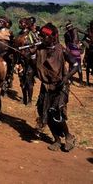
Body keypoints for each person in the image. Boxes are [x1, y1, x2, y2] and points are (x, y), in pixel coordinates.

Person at [34, 23, 78, 152]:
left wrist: (66, 78)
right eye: (41, 36)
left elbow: (75, 65)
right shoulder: (40, 49)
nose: (43, 38)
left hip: (60, 86)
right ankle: (57, 140)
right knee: (44, 112)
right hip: (46, 87)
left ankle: (69, 137)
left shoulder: (61, 49)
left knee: (56, 113)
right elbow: (34, 64)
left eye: (45, 36)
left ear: (53, 36)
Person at [0, 16, 14, 94]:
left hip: (7, 54)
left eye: (1, 22)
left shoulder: (10, 32)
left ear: (5, 23)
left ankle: (7, 83)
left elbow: (12, 43)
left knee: (8, 70)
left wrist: (11, 53)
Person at [64, 21, 83, 85]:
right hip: (76, 50)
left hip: (71, 51)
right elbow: (86, 33)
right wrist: (81, 44)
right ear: (72, 26)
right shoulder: (75, 29)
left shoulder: (65, 34)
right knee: (79, 66)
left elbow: (67, 45)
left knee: (71, 66)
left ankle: (70, 81)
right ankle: (81, 82)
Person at [83, 20, 93, 86]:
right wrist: (88, 46)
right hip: (89, 51)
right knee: (88, 66)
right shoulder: (88, 31)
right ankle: (87, 81)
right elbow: (83, 40)